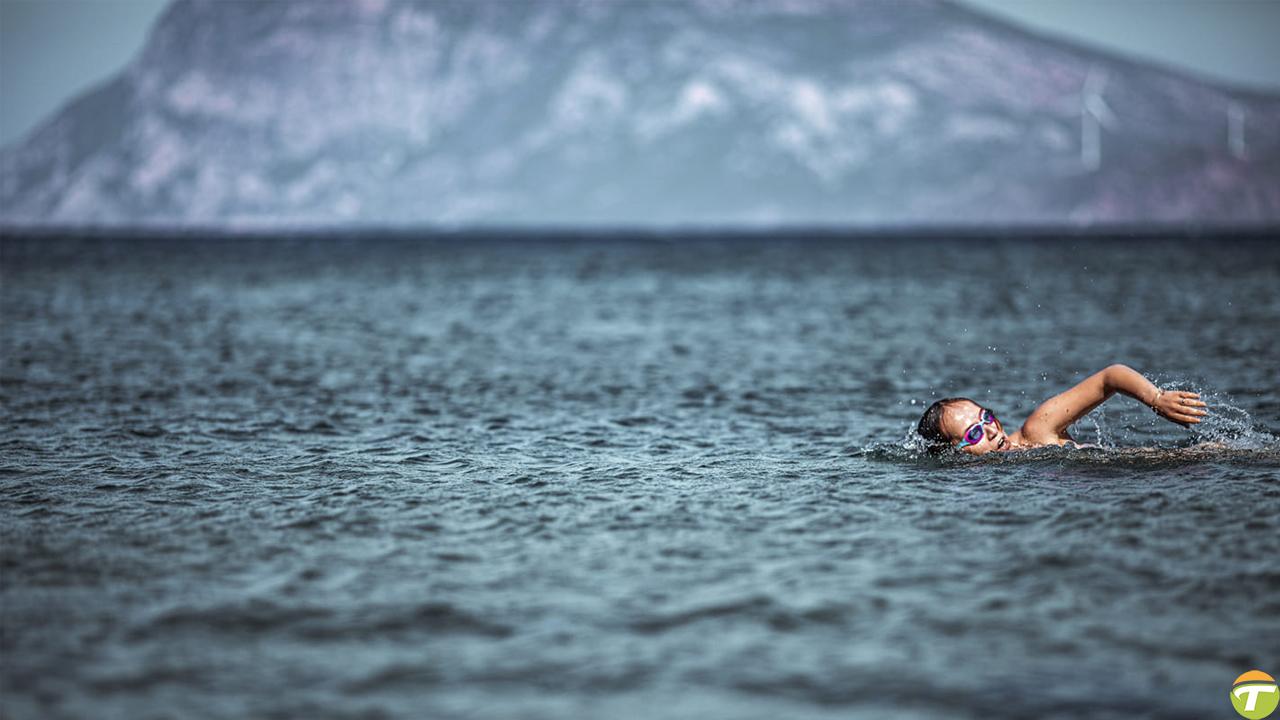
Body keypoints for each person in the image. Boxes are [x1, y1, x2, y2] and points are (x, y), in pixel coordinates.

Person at [915, 364, 1208, 455]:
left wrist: (1157, 399)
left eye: (986, 417)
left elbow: (1112, 376)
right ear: (955, 451)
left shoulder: (1037, 431)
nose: (992, 429)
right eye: (975, 432)